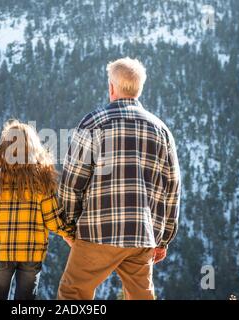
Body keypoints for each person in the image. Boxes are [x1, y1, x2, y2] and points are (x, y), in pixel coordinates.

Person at [58, 57, 181, 300]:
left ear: (111, 88)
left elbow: (73, 181)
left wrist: (68, 226)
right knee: (141, 296)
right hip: (141, 235)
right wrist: (162, 238)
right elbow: (172, 189)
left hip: (97, 231)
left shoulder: (93, 122)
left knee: (73, 293)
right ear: (138, 89)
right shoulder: (161, 130)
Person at [0, 120, 73, 300]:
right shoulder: (41, 180)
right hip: (32, 252)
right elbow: (52, 219)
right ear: (32, 148)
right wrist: (69, 235)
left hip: (2, 252)